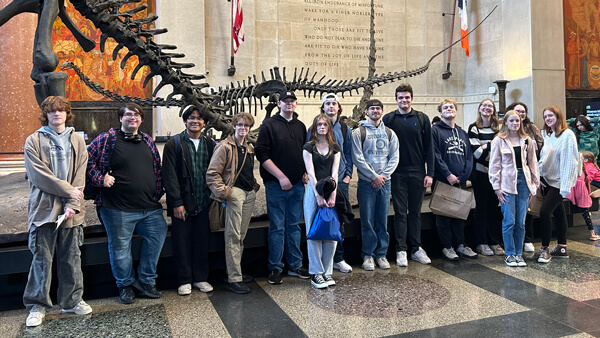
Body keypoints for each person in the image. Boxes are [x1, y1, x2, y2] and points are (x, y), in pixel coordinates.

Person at [87, 103, 167, 303]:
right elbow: (85, 160)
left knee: (157, 234)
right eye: (128, 114)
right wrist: (100, 179)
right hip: (116, 207)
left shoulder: (148, 140)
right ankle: (125, 285)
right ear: (120, 118)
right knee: (120, 247)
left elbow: (157, 168)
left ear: (141, 119)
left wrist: (157, 193)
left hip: (149, 207)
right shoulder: (107, 139)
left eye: (137, 114)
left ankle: (146, 281)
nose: (133, 117)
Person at [23, 96, 91, 327]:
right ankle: (37, 305)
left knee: (71, 257)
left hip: (72, 210)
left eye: (61, 110)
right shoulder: (33, 141)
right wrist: (70, 192)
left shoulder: (78, 140)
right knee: (42, 259)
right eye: (52, 111)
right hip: (44, 210)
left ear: (67, 113)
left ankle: (72, 301)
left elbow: (81, 173)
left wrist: (73, 204)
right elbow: (39, 175)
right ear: (46, 114)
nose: (57, 114)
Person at [255, 91, 310, 284]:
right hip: (276, 186)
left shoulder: (301, 126)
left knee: (294, 226)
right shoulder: (269, 125)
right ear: (279, 104)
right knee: (277, 227)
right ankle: (275, 267)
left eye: (292, 101)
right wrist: (280, 177)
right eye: (285, 101)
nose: (289, 104)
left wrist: (304, 172)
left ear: (296, 104)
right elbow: (261, 154)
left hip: (297, 186)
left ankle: (295, 265)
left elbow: (305, 152)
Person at [162, 105, 216, 296]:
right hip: (182, 203)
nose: (195, 121)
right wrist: (176, 202)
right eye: (191, 118)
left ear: (204, 123)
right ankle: (184, 279)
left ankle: (201, 277)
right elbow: (169, 176)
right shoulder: (173, 144)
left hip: (204, 201)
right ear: (185, 121)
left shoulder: (210, 144)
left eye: (199, 118)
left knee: (202, 240)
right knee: (182, 241)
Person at [206, 112, 258, 294]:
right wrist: (226, 193)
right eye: (241, 125)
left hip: (248, 194)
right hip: (234, 194)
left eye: (247, 126)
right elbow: (212, 174)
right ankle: (234, 278)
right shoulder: (224, 147)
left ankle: (235, 271)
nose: (243, 129)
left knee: (241, 235)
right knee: (233, 236)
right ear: (234, 126)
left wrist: (254, 187)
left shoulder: (249, 148)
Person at [382, 84, 434, 267]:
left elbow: (430, 148)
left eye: (407, 97)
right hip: (397, 173)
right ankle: (401, 249)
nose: (404, 101)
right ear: (396, 99)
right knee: (400, 213)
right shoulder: (389, 119)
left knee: (416, 213)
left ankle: (417, 248)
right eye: (400, 98)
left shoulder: (422, 118)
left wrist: (430, 173)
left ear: (412, 98)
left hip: (418, 172)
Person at [307, 93, 353, 273]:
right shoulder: (313, 129)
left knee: (337, 220)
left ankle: (337, 258)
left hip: (339, 181)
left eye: (334, 103)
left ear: (338, 107)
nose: (331, 106)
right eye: (328, 104)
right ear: (323, 108)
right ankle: (319, 265)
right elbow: (308, 155)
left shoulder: (344, 128)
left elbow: (348, 152)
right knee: (318, 221)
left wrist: (348, 175)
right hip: (319, 184)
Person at [352, 99, 399, 271]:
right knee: (367, 220)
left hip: (385, 183)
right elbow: (357, 157)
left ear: (382, 111)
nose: (375, 111)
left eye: (378, 108)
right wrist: (373, 176)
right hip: (366, 183)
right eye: (372, 108)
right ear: (366, 111)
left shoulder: (389, 133)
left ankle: (381, 254)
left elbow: (394, 156)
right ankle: (368, 255)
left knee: (382, 220)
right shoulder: (358, 133)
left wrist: (383, 176)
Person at [489, 110, 540, 267]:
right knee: (509, 220)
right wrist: (496, 187)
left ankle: (519, 253)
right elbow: (494, 165)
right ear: (505, 122)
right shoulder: (499, 140)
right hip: (507, 183)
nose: (515, 124)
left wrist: (534, 186)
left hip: (524, 181)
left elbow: (533, 164)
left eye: (517, 121)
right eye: (511, 121)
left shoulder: (527, 140)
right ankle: (510, 254)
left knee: (521, 222)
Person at [432, 99, 477, 260]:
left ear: (456, 111)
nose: (449, 109)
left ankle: (460, 244)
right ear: (440, 112)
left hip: (461, 180)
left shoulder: (462, 132)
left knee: (460, 214)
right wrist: (448, 175)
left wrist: (464, 175)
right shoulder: (435, 131)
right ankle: (447, 247)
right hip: (444, 180)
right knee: (443, 215)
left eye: (451, 107)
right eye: (445, 107)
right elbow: (435, 156)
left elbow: (469, 156)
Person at [537, 106, 580, 263]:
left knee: (544, 213)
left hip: (559, 182)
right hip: (549, 181)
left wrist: (565, 187)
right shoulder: (551, 136)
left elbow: (570, 161)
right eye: (545, 116)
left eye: (551, 115)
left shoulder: (567, 135)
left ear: (558, 116)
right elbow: (545, 159)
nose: (548, 118)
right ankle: (562, 248)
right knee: (560, 212)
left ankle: (544, 249)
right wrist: (539, 177)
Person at [303, 114, 341, 288]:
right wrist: (318, 196)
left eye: (325, 124)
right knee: (314, 232)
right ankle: (316, 273)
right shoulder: (308, 147)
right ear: (315, 127)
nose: (322, 127)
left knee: (330, 232)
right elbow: (311, 174)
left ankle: (327, 272)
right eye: (319, 124)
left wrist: (332, 195)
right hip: (313, 192)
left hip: (330, 191)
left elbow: (335, 173)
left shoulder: (335, 147)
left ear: (329, 127)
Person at [468, 99, 504, 257]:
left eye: (490, 106)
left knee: (494, 209)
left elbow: (503, 151)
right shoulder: (474, 127)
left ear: (494, 110)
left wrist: (486, 146)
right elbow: (476, 154)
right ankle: (482, 243)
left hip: (497, 175)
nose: (487, 108)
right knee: (481, 208)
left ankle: (494, 242)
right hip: (481, 173)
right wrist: (493, 145)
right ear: (479, 108)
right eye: (484, 105)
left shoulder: (500, 128)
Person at [506, 102, 543, 252]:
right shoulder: (503, 136)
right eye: (517, 112)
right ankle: (511, 249)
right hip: (509, 179)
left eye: (522, 112)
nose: (520, 115)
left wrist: (535, 180)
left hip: (526, 175)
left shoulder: (531, 131)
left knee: (525, 213)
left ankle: (526, 241)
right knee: (510, 217)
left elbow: (538, 151)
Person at [566, 151, 597, 241]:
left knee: (585, 212)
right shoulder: (583, 172)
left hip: (575, 195)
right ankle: (592, 232)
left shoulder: (578, 172)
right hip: (581, 196)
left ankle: (592, 232)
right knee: (586, 213)